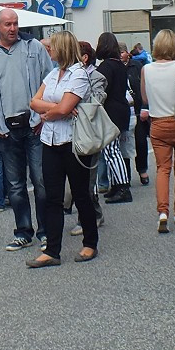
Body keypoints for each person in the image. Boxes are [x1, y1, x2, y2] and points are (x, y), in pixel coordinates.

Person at [0, 8, 53, 251]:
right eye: (7, 24)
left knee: (41, 182)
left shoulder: (34, 48)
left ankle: (46, 232)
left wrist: (44, 115)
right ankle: (23, 231)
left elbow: (49, 81)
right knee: (15, 185)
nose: (12, 28)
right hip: (6, 129)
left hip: (34, 126)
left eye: (15, 23)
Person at [24, 31, 97, 267]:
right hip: (50, 141)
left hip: (72, 142)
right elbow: (33, 102)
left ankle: (90, 243)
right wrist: (54, 108)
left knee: (80, 193)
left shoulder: (78, 74)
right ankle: (52, 251)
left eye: (52, 47)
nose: (49, 51)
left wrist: (51, 111)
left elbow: (65, 109)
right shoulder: (54, 73)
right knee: (52, 197)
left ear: (62, 49)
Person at [140, 30, 175, 232]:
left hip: (158, 124)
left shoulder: (146, 69)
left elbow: (145, 98)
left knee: (162, 169)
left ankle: (163, 212)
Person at [67, 40, 104, 236]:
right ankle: (94, 213)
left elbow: (97, 100)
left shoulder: (97, 77)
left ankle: (88, 218)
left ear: (84, 57)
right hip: (71, 131)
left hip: (89, 132)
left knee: (87, 178)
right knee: (78, 178)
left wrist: (72, 103)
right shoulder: (67, 74)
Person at [96, 32, 133, 204]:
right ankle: (119, 185)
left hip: (110, 112)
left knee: (111, 151)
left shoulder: (105, 67)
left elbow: (101, 91)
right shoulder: (119, 65)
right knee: (115, 150)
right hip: (121, 110)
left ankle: (122, 187)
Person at [125, 47, 150, 186]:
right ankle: (125, 175)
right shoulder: (115, 67)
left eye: (122, 52)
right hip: (124, 111)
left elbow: (144, 87)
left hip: (138, 109)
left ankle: (142, 170)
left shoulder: (137, 66)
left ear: (128, 54)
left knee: (140, 141)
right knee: (124, 143)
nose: (120, 55)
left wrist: (145, 107)